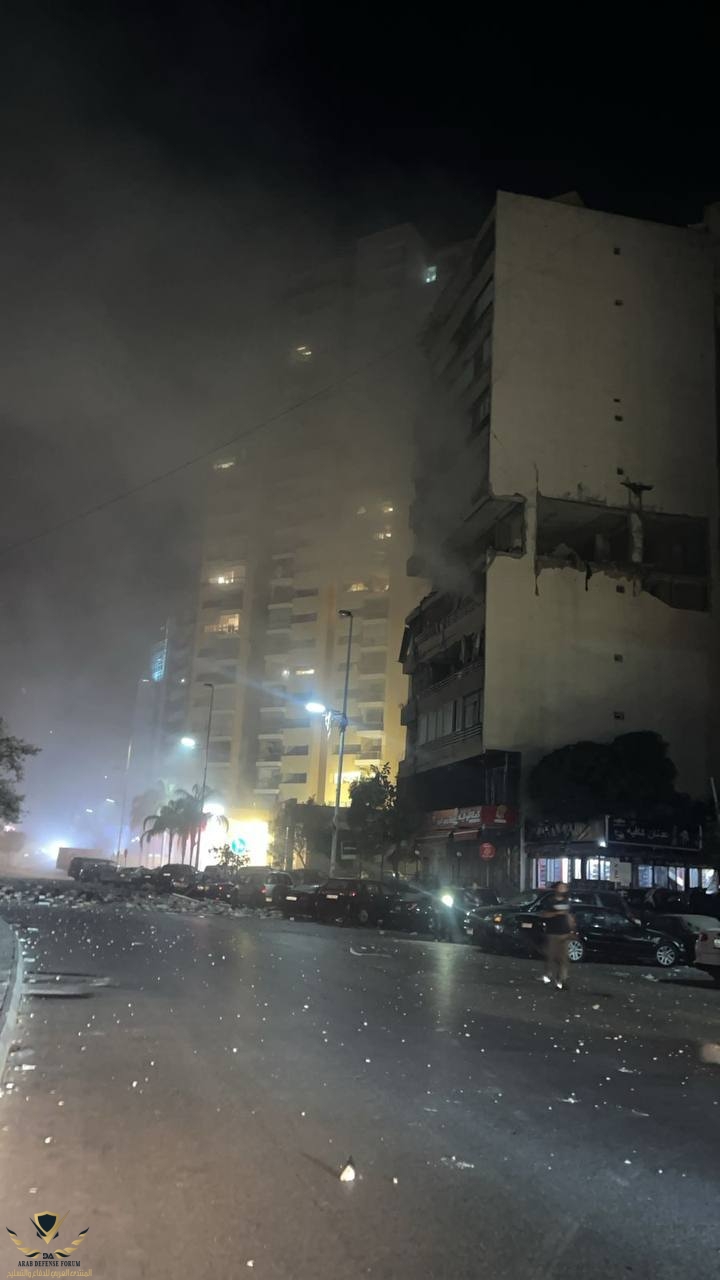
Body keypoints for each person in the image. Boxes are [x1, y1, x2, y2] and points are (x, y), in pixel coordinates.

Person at [542, 881, 575, 989]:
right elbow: (544, 915)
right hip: (552, 933)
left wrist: (572, 929)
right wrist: (556, 913)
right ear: (556, 889)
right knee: (551, 957)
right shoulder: (551, 901)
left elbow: (570, 916)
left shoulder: (567, 902)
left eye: (564, 887)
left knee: (564, 959)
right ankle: (548, 975)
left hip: (564, 933)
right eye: (560, 887)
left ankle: (561, 981)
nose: (562, 889)